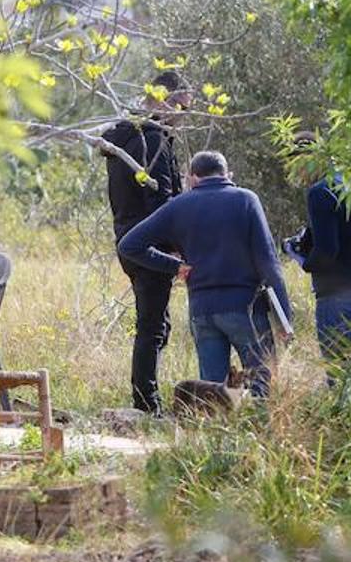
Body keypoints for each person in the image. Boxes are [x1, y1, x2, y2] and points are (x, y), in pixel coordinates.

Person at [118, 151, 291, 398]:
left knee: (213, 395)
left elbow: (129, 245)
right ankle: (258, 431)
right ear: (227, 174)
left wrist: (173, 266)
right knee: (261, 385)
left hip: (202, 311)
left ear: (191, 178)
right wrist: (285, 317)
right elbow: (268, 261)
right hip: (246, 308)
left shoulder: (178, 205)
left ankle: (217, 435)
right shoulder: (246, 200)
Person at [102, 71, 193, 414]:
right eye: (182, 107)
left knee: (156, 323)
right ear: (162, 99)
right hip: (149, 243)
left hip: (126, 235)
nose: (184, 116)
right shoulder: (152, 139)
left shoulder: (124, 136)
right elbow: (162, 200)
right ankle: (146, 404)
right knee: (153, 326)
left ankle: (146, 398)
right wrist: (177, 245)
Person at [285, 137, 351, 402]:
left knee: (341, 382)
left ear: (303, 161)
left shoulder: (321, 191)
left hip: (340, 299)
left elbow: (328, 252)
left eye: (295, 167)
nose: (296, 176)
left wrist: (302, 258)